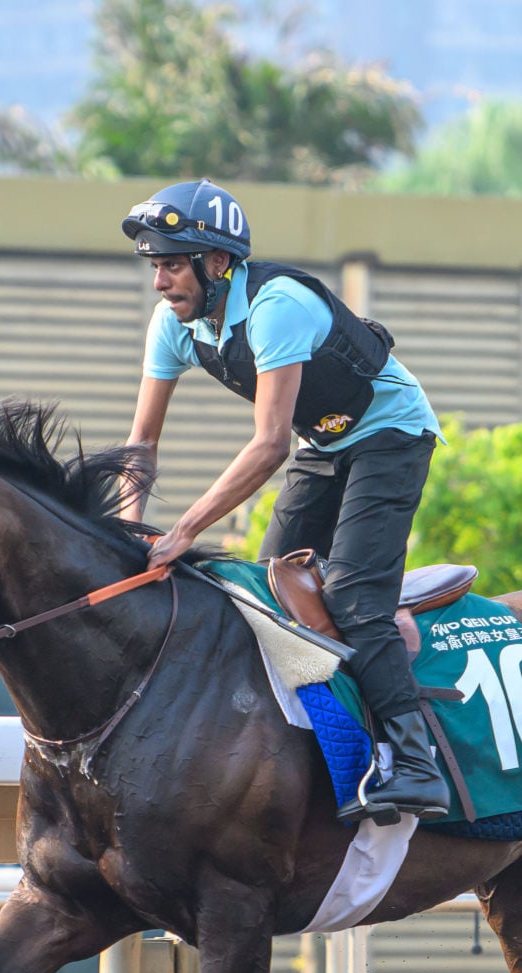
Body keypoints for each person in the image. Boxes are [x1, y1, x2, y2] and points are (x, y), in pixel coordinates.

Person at [120, 178, 449, 824]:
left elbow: (268, 445)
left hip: (391, 435)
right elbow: (140, 446)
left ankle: (417, 764)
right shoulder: (173, 325)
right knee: (269, 598)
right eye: (154, 267)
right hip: (324, 444)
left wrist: (184, 528)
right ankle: (319, 751)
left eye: (171, 265)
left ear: (217, 263)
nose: (159, 283)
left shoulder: (276, 306)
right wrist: (128, 528)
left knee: (353, 595)